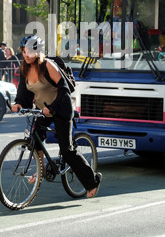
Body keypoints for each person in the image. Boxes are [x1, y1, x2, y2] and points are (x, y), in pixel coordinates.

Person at [11, 35, 102, 198]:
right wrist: (18, 103)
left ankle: (92, 180)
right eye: (24, 51)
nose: (26, 55)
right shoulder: (25, 68)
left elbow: (64, 89)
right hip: (42, 110)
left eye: (30, 51)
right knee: (35, 139)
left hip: (61, 109)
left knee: (67, 150)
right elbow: (23, 93)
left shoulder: (48, 65)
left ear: (38, 51)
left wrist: (52, 108)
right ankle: (40, 173)